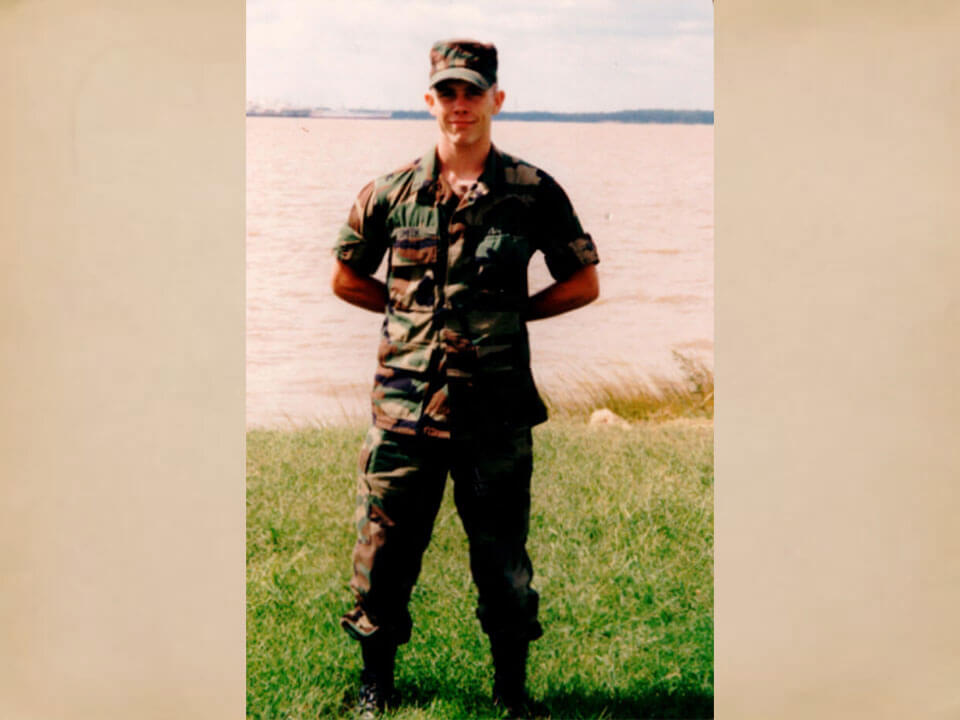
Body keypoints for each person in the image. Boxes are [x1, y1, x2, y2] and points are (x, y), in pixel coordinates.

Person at [331, 39, 599, 718]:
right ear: (429, 101)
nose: (460, 105)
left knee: (502, 559)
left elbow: (582, 282)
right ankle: (376, 685)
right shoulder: (391, 192)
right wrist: (408, 315)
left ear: (496, 100)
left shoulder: (532, 192)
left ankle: (512, 692)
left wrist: (511, 316)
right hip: (405, 411)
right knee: (384, 552)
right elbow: (346, 277)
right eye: (447, 92)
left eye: (472, 92)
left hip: (495, 415)